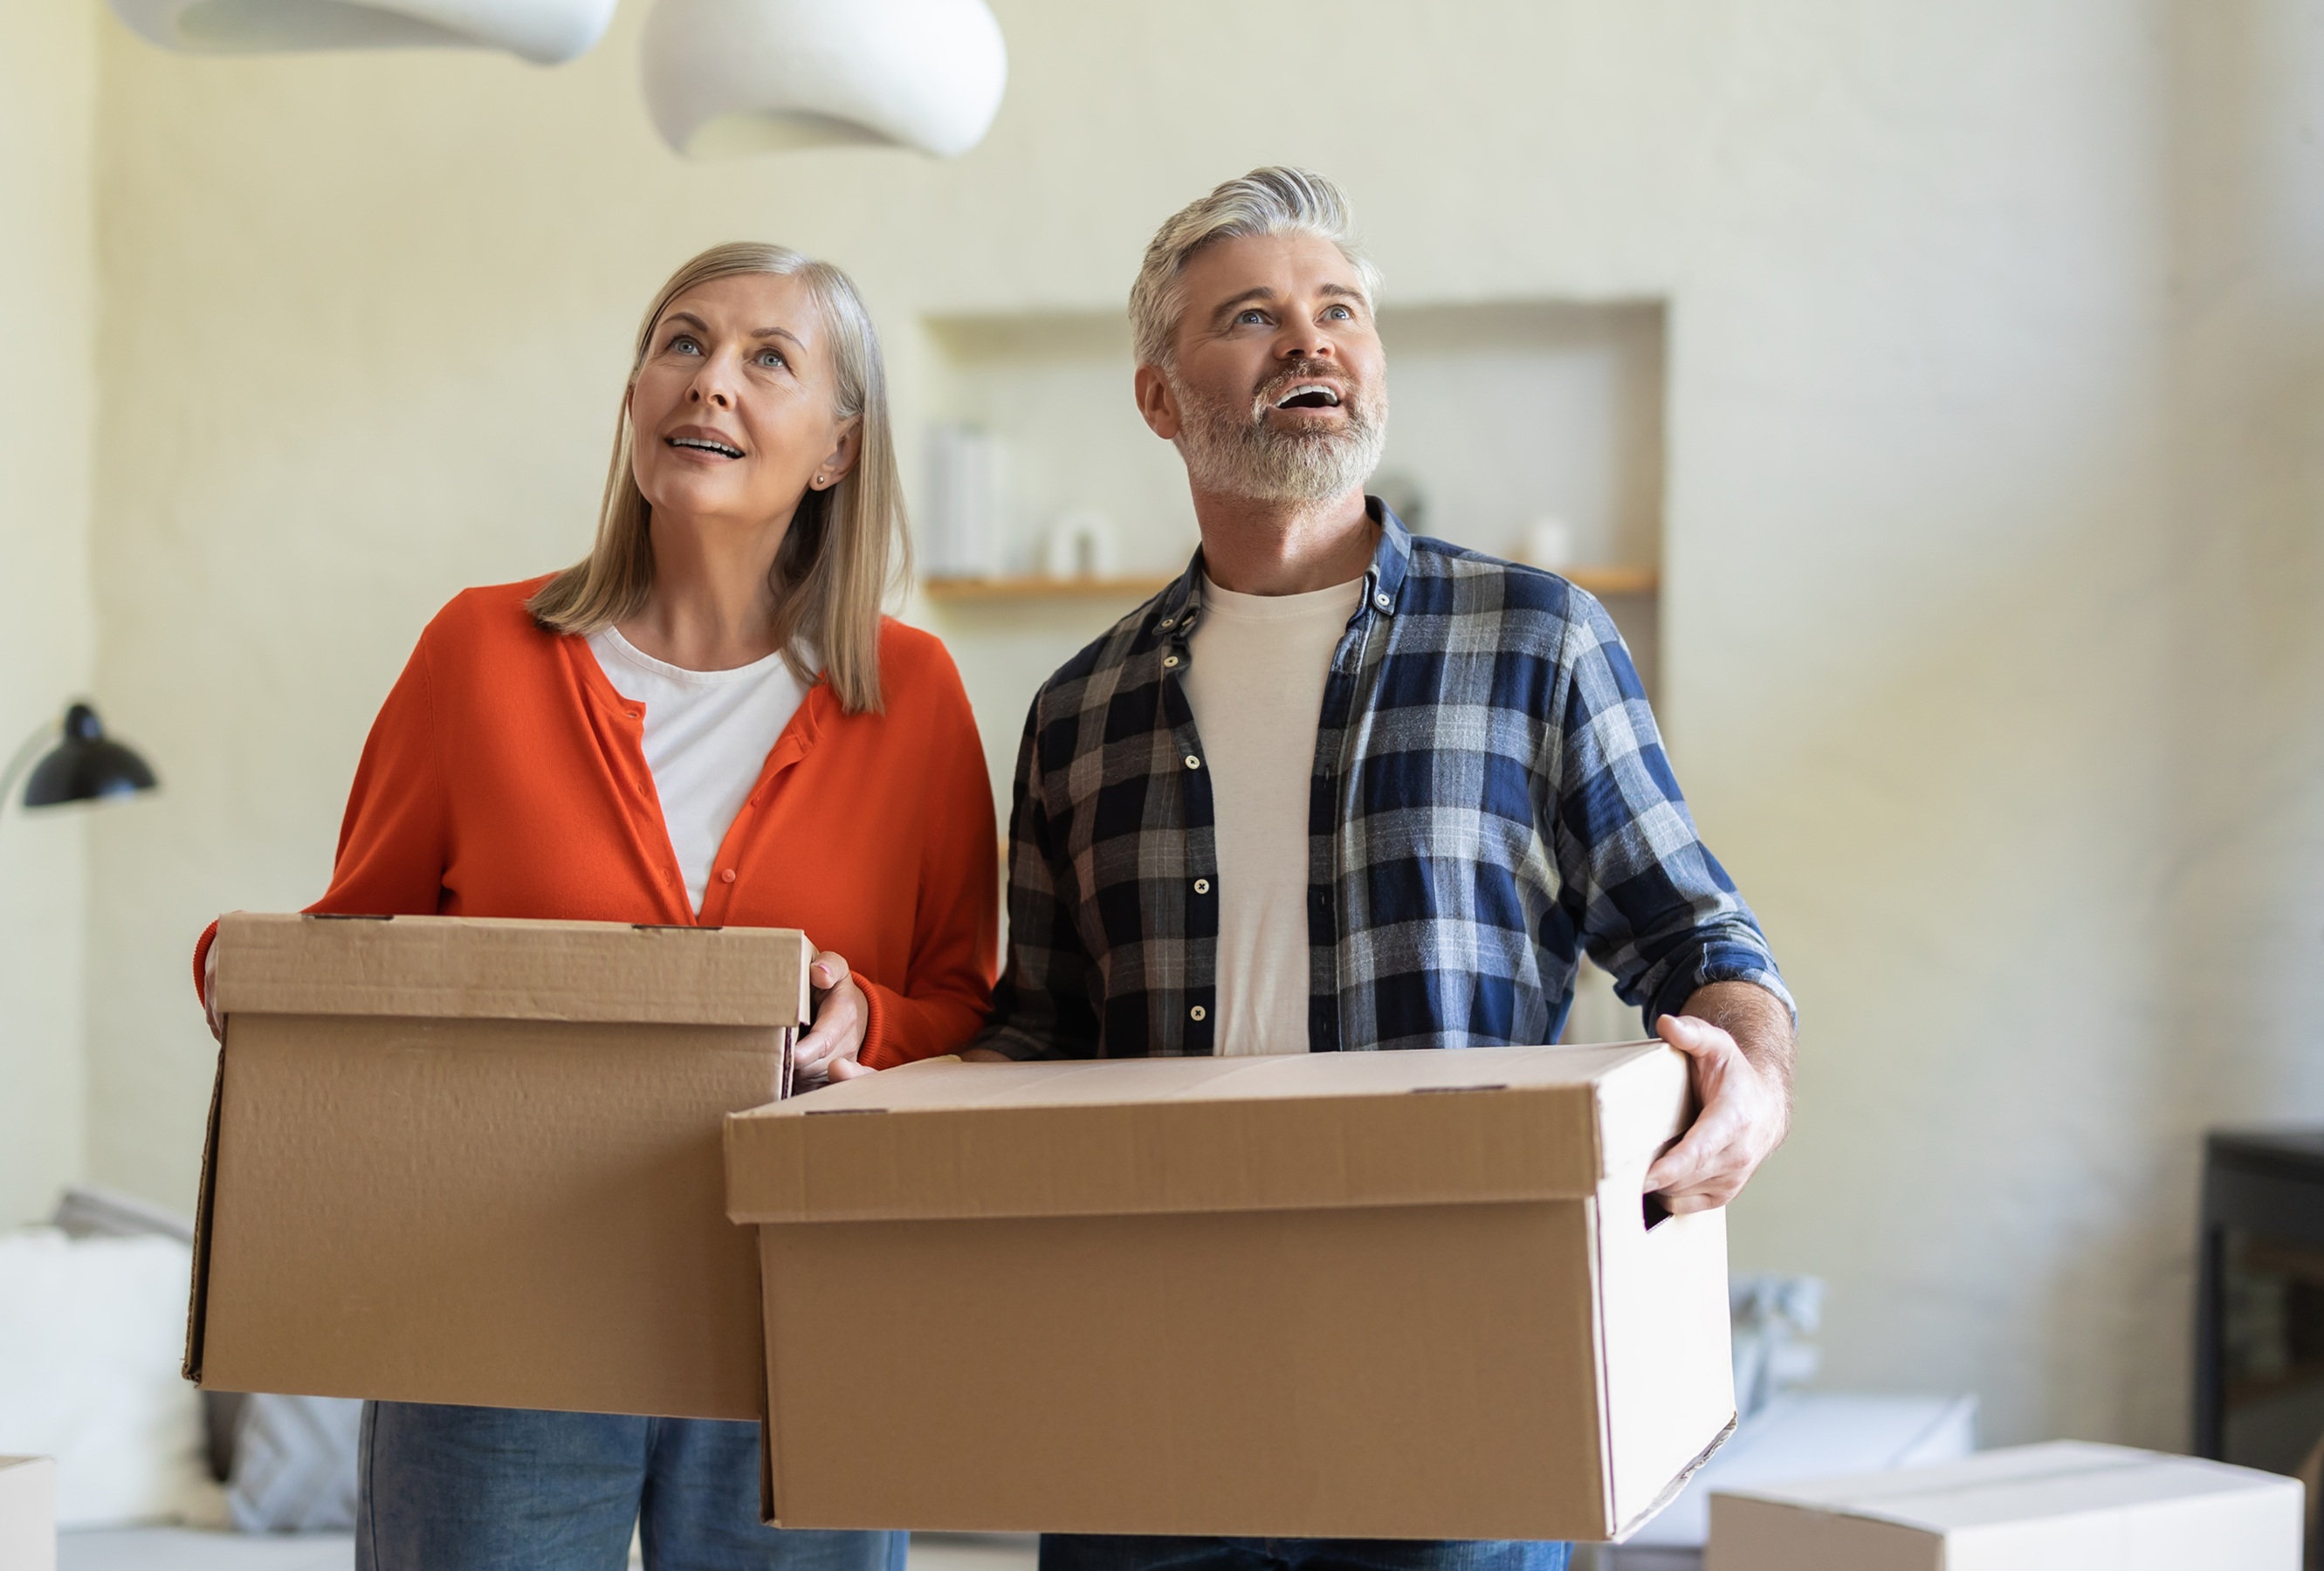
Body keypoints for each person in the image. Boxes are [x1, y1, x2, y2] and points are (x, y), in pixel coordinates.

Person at [968, 168, 1798, 1571]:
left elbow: (1702, 943)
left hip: (1463, 1384)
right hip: (1144, 1407)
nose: (1310, 340)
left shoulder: (1536, 642)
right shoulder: (1079, 708)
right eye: (1252, 316)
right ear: (1161, 399)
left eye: (1337, 309)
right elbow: (1034, 1042)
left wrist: (1749, 1082)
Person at [196, 242, 999, 1570]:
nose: (711, 384)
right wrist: (244, 972)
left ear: (839, 447)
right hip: (491, 1305)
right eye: (680, 343)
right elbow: (351, 957)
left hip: (796, 1318)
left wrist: (871, 1018)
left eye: (767, 359)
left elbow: (968, 1007)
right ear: (634, 397)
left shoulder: (911, 697)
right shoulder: (478, 655)